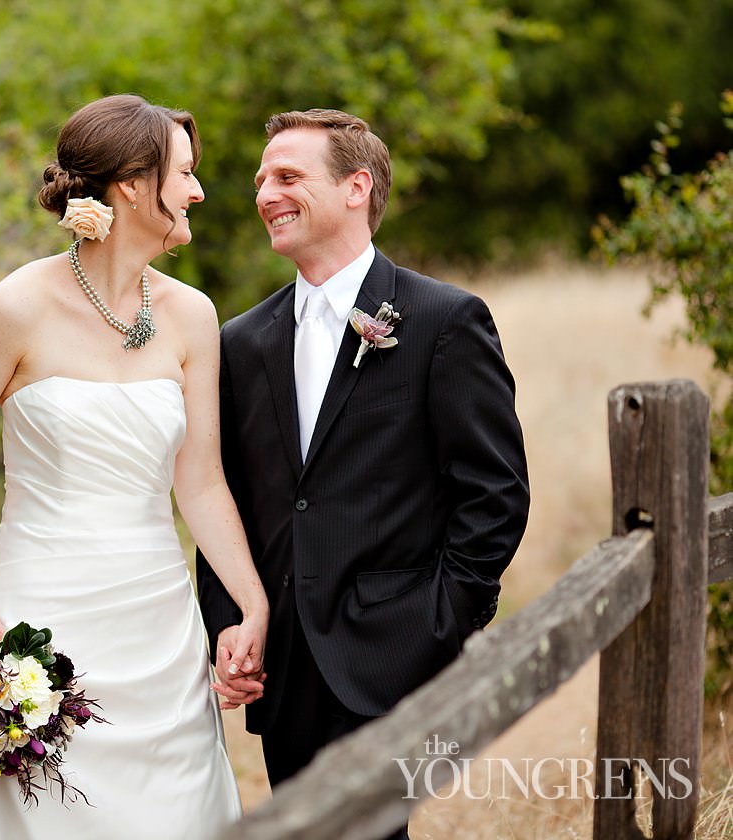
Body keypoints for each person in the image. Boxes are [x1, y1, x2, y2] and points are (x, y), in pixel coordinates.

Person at [0, 94, 269, 840]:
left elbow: (201, 480)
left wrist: (252, 602)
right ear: (131, 186)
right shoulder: (16, 305)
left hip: (159, 627)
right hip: (43, 613)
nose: (199, 192)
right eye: (186, 174)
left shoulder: (192, 316)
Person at [198, 109, 529, 839]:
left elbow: (496, 493)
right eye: (260, 180)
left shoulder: (443, 320)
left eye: (286, 177)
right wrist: (228, 624)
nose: (264, 194)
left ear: (357, 186)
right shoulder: (241, 341)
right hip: (283, 664)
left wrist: (438, 622)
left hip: (389, 654)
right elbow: (227, 499)